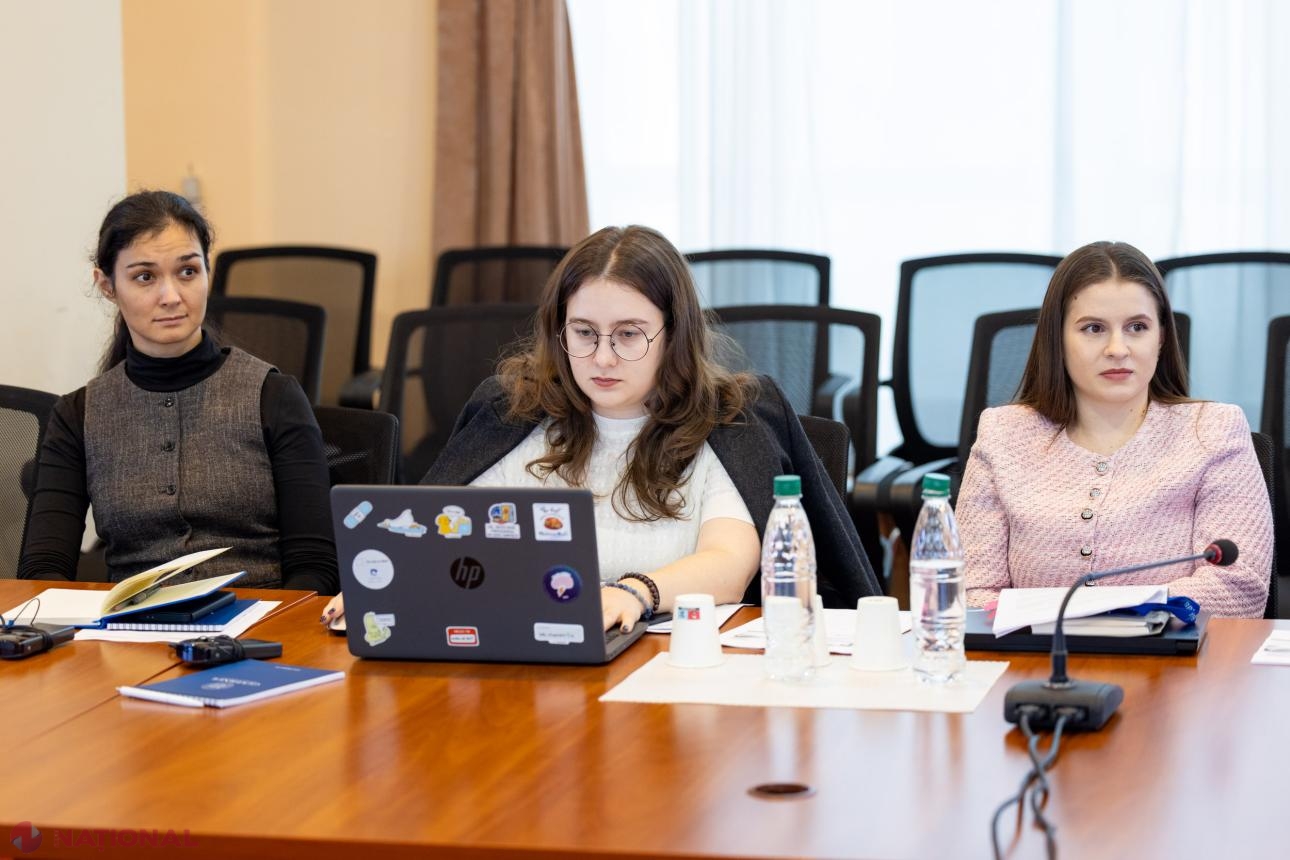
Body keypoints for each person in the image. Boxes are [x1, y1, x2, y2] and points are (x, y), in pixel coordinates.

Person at [322, 225, 880, 631]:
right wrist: (396, 577)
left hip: (674, 669)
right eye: (584, 333)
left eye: (629, 334)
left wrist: (636, 593)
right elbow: (445, 529)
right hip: (530, 662)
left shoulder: (727, 422)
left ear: (673, 335)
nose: (603, 358)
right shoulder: (513, 413)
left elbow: (729, 565)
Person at [18, 190, 338, 593]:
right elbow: (43, 569)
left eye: (187, 272)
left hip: (260, 619)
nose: (171, 297)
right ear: (107, 285)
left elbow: (315, 567)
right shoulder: (79, 414)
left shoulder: (272, 396)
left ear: (208, 272)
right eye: (145, 277)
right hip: (130, 626)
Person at [957, 241, 1272, 617]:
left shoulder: (1213, 430)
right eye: (1093, 328)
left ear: (1161, 338)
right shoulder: (1003, 433)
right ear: (1057, 339)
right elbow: (970, 591)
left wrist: (1097, 616)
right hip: (1035, 653)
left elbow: (1239, 588)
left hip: (1174, 653)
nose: (1117, 349)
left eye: (1137, 327)